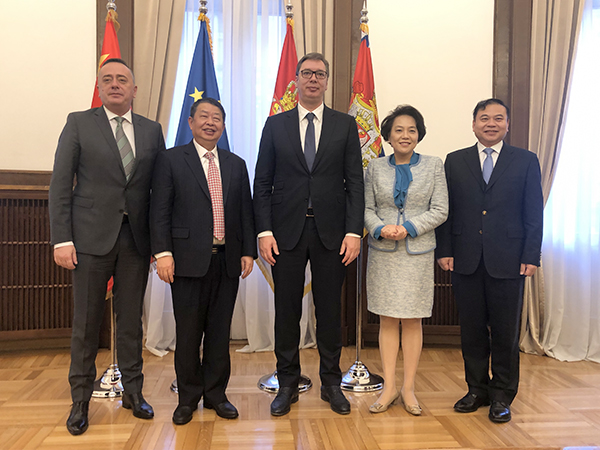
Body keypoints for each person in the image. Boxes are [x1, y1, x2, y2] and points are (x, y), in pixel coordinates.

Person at [49, 58, 165, 435]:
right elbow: (60, 184)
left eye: (122, 80)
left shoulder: (151, 130)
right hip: (89, 240)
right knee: (86, 324)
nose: (115, 84)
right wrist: (62, 239)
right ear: (99, 88)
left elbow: (158, 190)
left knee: (131, 323)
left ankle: (133, 392)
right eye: (108, 79)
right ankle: (80, 401)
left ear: (134, 90)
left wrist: (160, 243)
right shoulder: (79, 123)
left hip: (136, 241)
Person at [253, 52, 364, 416]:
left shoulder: (345, 125)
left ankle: (331, 383)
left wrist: (353, 231)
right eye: (307, 73)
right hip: (285, 232)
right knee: (286, 310)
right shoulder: (275, 124)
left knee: (329, 310)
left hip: (332, 233)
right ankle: (287, 383)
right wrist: (264, 231)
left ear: (327, 81)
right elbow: (262, 182)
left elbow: (355, 183)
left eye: (319, 74)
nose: (313, 79)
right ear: (296, 80)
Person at [435, 98, 543, 423]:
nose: (491, 123)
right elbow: (446, 211)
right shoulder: (455, 161)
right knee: (472, 331)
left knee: (505, 332)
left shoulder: (525, 160)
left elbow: (533, 211)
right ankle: (476, 390)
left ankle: (502, 396)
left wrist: (531, 254)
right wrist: (444, 250)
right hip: (465, 258)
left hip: (510, 259)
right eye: (484, 118)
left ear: (507, 124)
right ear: (473, 124)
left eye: (498, 118)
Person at [150, 98, 256, 425]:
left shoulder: (236, 163)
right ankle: (187, 398)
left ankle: (216, 395)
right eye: (204, 116)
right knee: (188, 334)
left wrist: (248, 251)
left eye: (217, 118)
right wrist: (163, 254)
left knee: (219, 333)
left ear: (223, 125)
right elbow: (160, 210)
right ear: (191, 122)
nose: (211, 122)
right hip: (185, 262)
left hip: (227, 261)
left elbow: (245, 211)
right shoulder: (170, 160)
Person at [364, 105, 448, 415]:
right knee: (387, 319)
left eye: (411, 130)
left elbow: (440, 209)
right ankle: (388, 387)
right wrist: (380, 228)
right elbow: (366, 208)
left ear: (419, 135)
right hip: (384, 252)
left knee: (413, 320)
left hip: (417, 253)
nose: (405, 135)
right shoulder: (374, 168)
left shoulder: (434, 165)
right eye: (398, 130)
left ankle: (408, 388)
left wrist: (409, 227)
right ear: (388, 135)